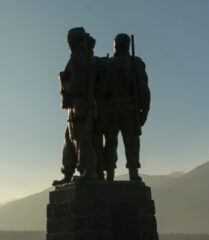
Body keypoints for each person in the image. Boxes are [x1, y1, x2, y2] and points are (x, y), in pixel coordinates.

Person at [100, 33, 151, 181]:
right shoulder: (135, 63)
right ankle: (133, 171)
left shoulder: (107, 64)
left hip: (112, 109)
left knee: (111, 142)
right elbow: (144, 89)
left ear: (115, 45)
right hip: (128, 108)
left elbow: (102, 92)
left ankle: (110, 172)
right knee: (130, 142)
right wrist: (145, 110)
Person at [53, 27, 99, 185]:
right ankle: (68, 172)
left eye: (70, 41)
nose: (69, 44)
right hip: (77, 107)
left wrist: (63, 81)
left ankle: (89, 170)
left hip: (80, 106)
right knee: (70, 140)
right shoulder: (85, 58)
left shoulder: (77, 59)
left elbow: (76, 86)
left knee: (81, 139)